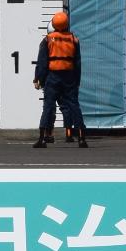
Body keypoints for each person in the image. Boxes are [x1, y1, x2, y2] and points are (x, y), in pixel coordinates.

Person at [34, 9, 87, 149]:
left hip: (53, 77)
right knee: (74, 106)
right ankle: (81, 138)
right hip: (69, 77)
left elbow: (42, 62)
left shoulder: (47, 40)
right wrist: (77, 81)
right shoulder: (74, 39)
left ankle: (42, 139)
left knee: (48, 106)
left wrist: (38, 79)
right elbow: (78, 63)